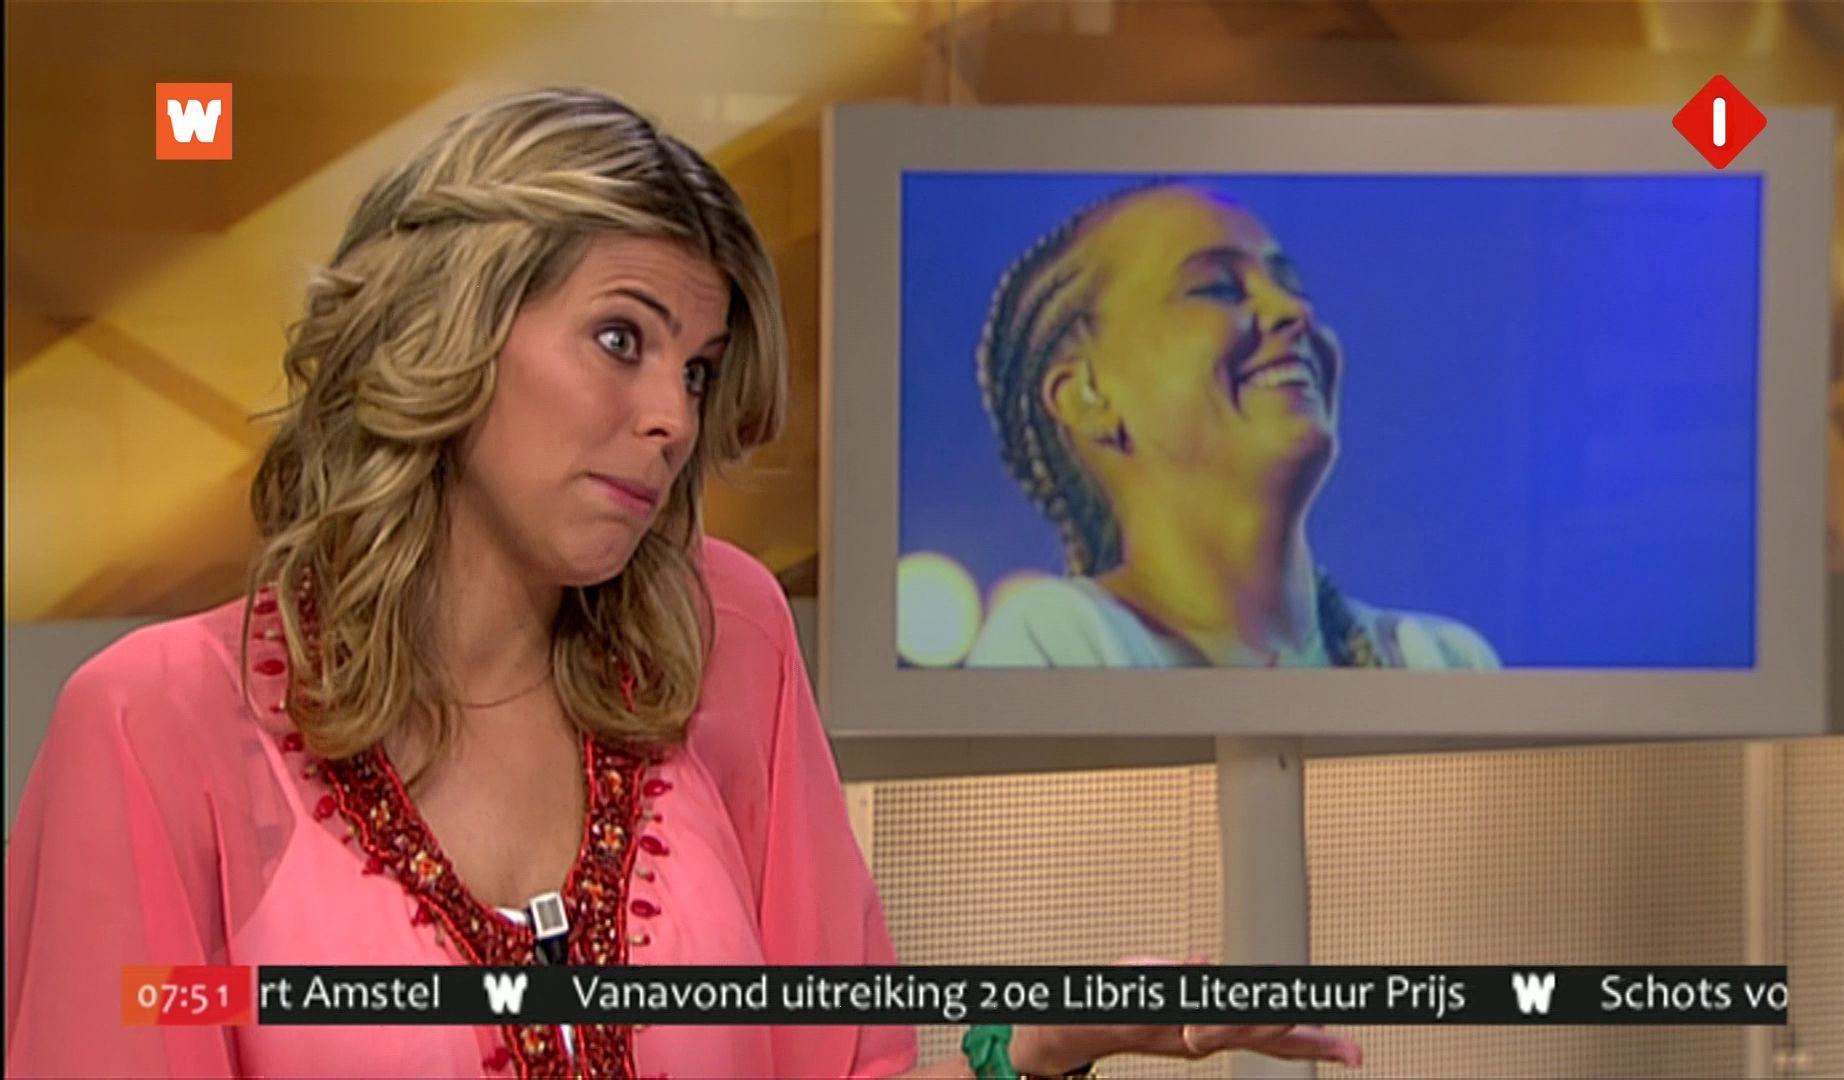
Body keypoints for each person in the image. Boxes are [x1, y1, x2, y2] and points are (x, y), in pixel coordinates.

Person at [4, 91, 1361, 1078]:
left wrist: (1038, 1042)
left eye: (698, 369)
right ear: (447, 331)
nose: (672, 417)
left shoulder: (723, 636)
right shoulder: (154, 724)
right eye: (621, 339)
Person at [967, 182, 1501, 670]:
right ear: (1089, 396)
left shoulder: (1441, 659)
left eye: (1290, 284)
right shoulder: (1057, 640)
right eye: (1218, 289)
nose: (1295, 310)